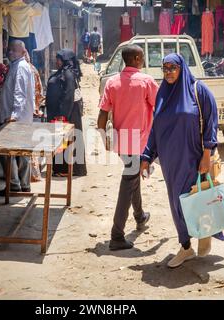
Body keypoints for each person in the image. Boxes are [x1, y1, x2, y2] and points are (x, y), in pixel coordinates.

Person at [140, 53, 224, 268]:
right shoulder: (163, 95)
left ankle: (203, 233)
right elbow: (155, 130)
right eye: (165, 68)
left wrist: (207, 154)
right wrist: (147, 156)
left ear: (182, 68)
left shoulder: (198, 90)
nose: (168, 72)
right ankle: (186, 246)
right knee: (177, 203)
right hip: (171, 162)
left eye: (173, 67)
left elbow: (211, 124)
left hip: (194, 158)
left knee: (197, 198)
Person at [97, 45, 159, 251]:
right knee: (128, 183)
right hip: (140, 142)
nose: (142, 61)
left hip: (122, 142)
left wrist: (103, 137)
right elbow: (160, 107)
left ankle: (140, 216)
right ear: (135, 58)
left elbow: (102, 115)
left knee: (132, 179)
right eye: (141, 57)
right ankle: (117, 235)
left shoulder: (112, 82)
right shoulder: (146, 81)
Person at [0, 40, 35, 196]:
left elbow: (20, 93)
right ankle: (23, 184)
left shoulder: (21, 67)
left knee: (7, 152)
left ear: (22, 52)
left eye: (13, 50)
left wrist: (14, 116)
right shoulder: (16, 66)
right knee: (21, 152)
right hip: (19, 118)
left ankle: (14, 184)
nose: (9, 52)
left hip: (16, 119)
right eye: (9, 50)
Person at [46, 49, 87, 177]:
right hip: (64, 113)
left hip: (67, 114)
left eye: (59, 59)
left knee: (67, 141)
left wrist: (62, 115)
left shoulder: (68, 74)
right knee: (66, 141)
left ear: (65, 60)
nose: (56, 61)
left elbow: (68, 96)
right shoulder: (63, 73)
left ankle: (66, 169)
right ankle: (65, 168)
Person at [24, 50, 43, 182]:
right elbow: (40, 91)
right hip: (34, 111)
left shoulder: (22, 70)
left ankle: (29, 175)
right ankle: (34, 173)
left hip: (26, 113)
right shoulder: (34, 69)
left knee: (26, 145)